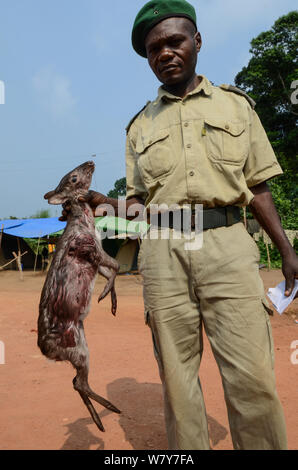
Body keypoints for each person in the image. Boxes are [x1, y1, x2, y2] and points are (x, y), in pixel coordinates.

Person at [61, 0, 298, 450]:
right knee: (176, 380)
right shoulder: (138, 128)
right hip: (163, 253)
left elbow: (259, 187)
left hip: (228, 246)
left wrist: (286, 250)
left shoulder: (237, 107)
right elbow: (136, 209)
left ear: (197, 42)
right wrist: (102, 204)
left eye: (174, 41)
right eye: (153, 49)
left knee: (252, 378)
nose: (164, 53)